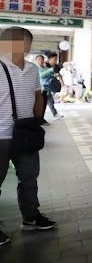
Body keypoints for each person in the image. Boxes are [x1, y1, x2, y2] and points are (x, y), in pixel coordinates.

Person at [0, 27, 57, 246]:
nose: (24, 46)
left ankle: (31, 217)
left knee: (29, 177)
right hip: (1, 134)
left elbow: (37, 96)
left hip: (25, 133)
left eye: (26, 42)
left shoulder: (33, 69)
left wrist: (36, 121)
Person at [37, 54, 63, 122]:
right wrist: (50, 70)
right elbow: (41, 76)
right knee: (41, 105)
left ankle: (43, 118)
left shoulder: (46, 68)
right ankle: (40, 119)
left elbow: (51, 76)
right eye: (39, 59)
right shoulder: (36, 68)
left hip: (47, 89)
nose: (40, 61)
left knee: (47, 103)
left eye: (42, 59)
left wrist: (55, 75)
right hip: (40, 89)